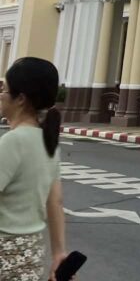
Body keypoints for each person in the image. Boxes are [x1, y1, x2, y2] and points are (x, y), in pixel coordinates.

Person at [0, 58, 69, 281]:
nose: (1, 94)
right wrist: (59, 252)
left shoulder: (12, 142)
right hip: (31, 253)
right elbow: (55, 201)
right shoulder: (48, 142)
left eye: (4, 89)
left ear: (20, 99)